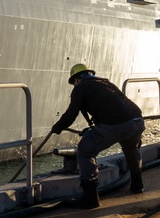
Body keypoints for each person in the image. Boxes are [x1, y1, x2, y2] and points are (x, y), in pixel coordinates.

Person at [50, 63, 146, 208]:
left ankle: (90, 198)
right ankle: (138, 185)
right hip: (137, 121)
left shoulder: (80, 88)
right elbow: (113, 107)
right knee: (130, 148)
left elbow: (71, 114)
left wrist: (57, 127)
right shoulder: (105, 83)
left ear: (76, 79)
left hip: (117, 125)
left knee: (85, 150)